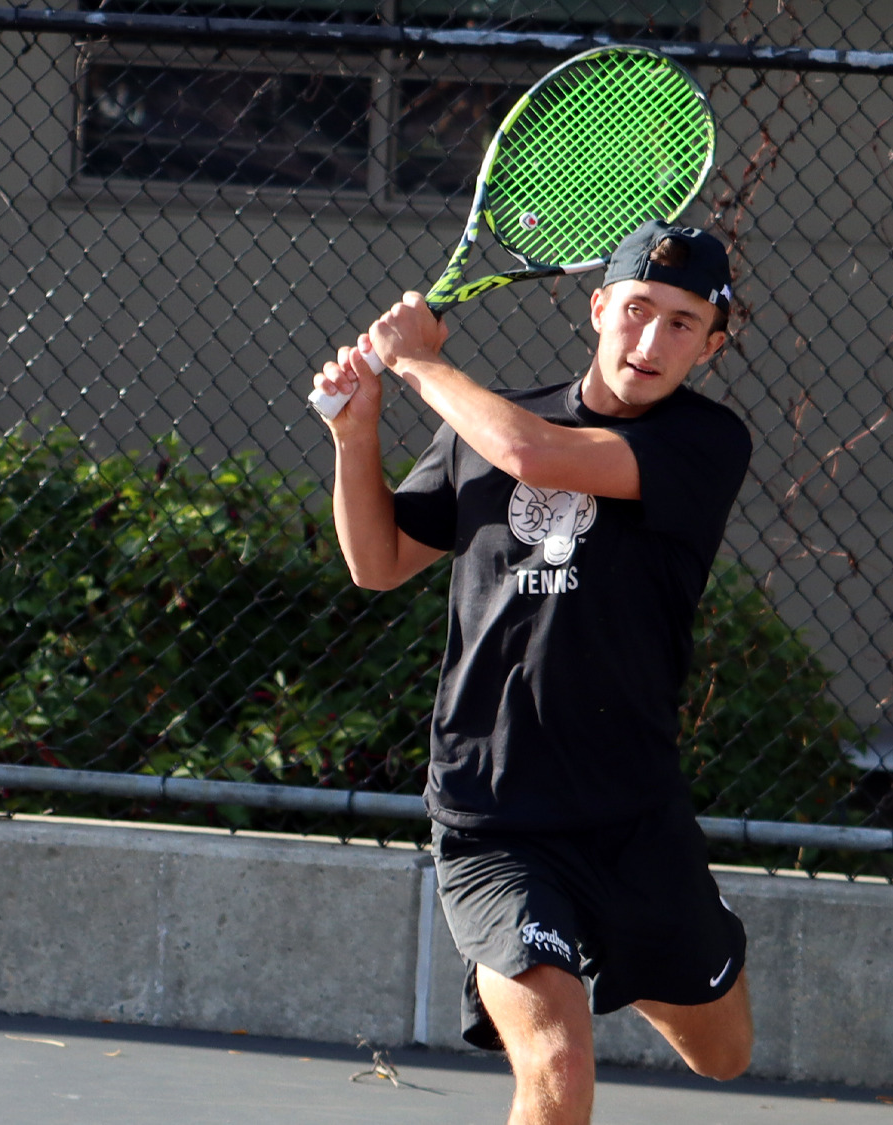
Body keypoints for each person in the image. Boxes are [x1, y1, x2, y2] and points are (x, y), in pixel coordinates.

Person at [310, 220, 756, 1125]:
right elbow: (379, 559)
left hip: (633, 814)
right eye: (636, 310)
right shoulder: (486, 423)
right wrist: (357, 435)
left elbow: (538, 457)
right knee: (557, 1063)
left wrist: (420, 365)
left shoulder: (705, 444)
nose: (650, 340)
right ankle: (541, 947)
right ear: (598, 307)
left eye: (681, 323)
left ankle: (616, 949)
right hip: (496, 813)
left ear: (711, 345)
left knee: (725, 1053)